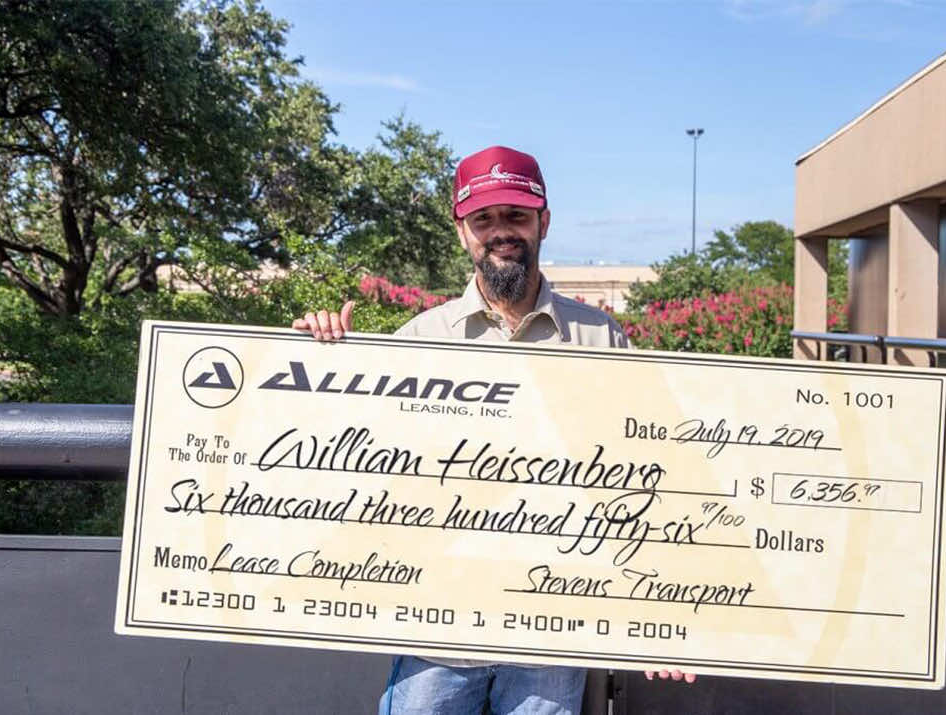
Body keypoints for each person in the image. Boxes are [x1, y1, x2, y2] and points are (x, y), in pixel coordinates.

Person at [294, 146, 694, 715]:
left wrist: (664, 607)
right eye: (484, 219)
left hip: (554, 632)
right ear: (462, 232)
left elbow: (643, 482)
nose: (500, 232)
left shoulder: (602, 338)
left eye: (516, 216)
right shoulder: (419, 339)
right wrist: (322, 357)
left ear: (543, 223)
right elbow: (343, 455)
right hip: (436, 629)